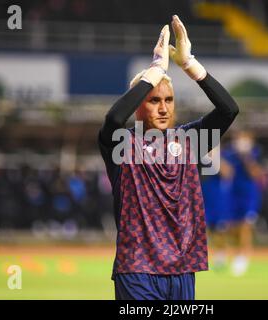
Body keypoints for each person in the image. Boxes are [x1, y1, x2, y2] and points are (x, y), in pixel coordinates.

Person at [98, 15, 239, 300]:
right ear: (138, 106)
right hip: (136, 268)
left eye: (168, 100)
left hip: (182, 269)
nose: (163, 108)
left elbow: (229, 110)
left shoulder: (190, 140)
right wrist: (155, 71)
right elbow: (113, 118)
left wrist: (190, 65)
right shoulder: (122, 144)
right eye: (153, 100)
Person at [224, 131, 265, 276]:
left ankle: (243, 257)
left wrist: (246, 158)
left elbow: (256, 174)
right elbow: (226, 173)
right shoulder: (229, 153)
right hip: (232, 194)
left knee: (245, 227)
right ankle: (236, 253)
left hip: (249, 196)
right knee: (232, 228)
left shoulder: (256, 153)